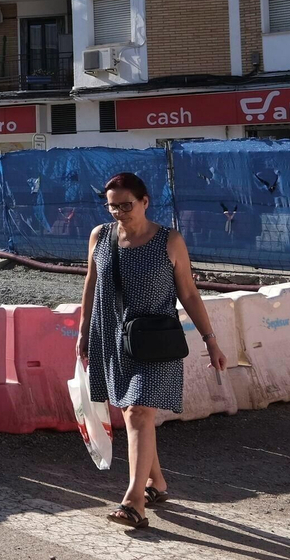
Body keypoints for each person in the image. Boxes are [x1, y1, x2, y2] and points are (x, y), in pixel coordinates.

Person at [76, 171, 228, 530]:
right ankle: (155, 482)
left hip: (154, 340)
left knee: (138, 412)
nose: (119, 212)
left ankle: (133, 501)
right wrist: (83, 331)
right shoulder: (100, 236)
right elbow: (91, 283)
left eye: (126, 205)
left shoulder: (169, 241)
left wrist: (211, 340)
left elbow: (188, 293)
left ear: (145, 202)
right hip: (112, 336)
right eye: (112, 206)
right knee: (133, 414)